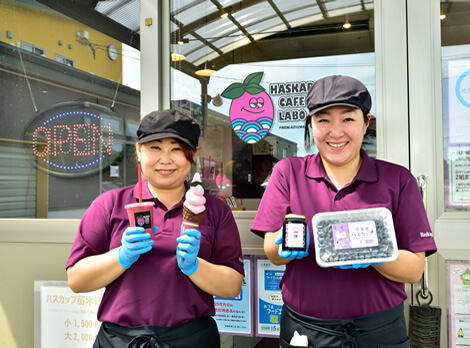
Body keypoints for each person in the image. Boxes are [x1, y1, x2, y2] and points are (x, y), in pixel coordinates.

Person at [251, 75, 437, 347]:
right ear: (311, 126)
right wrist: (281, 246)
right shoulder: (288, 173)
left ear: (366, 123)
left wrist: (374, 255)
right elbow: (272, 249)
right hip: (306, 329)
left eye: (348, 119)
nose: (335, 132)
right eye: (323, 120)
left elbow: (414, 270)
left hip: (380, 330)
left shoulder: (398, 180)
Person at [66, 109, 245, 347]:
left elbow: (232, 286)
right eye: (155, 148)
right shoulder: (110, 204)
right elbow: (77, 280)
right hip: (120, 340)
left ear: (193, 155)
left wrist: (195, 266)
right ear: (139, 151)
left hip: (191, 339)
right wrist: (120, 256)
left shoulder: (214, 210)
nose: (165, 159)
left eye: (177, 149)